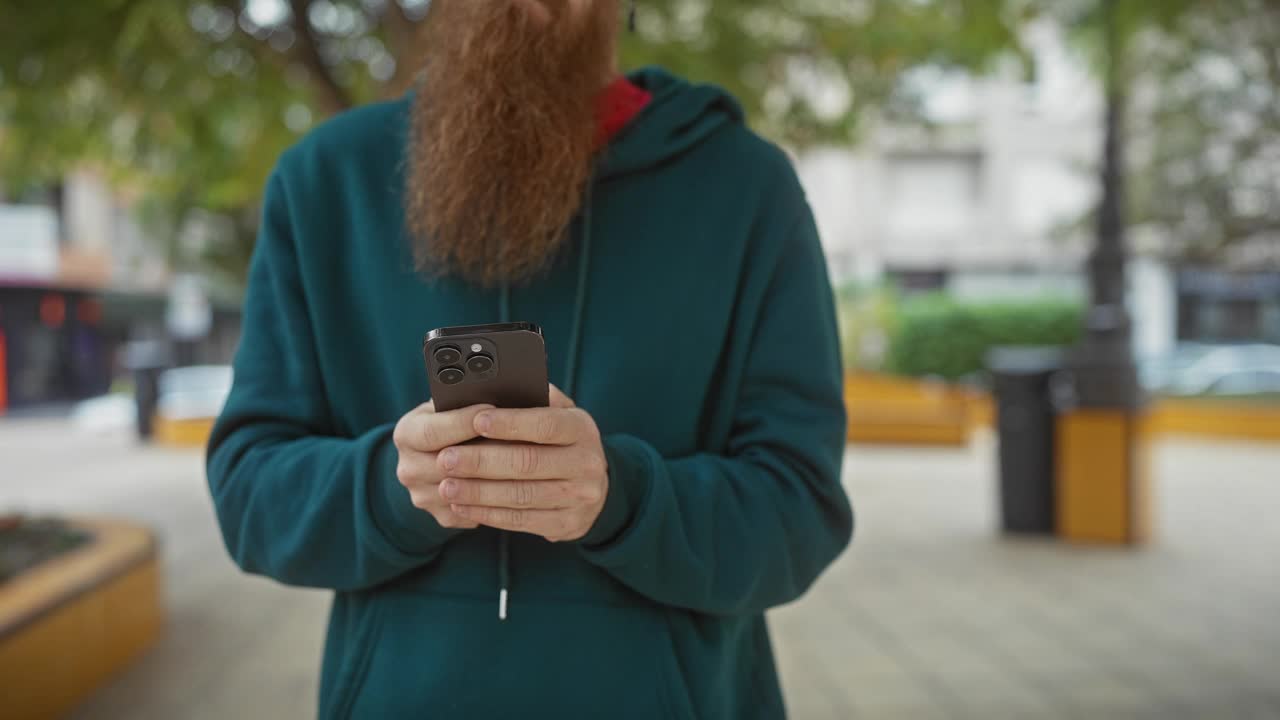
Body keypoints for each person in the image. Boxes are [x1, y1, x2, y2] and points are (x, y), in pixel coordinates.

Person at [206, 0, 853, 717]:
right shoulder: (325, 183)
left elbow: (801, 508)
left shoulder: (747, 189)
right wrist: (396, 487)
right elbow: (249, 496)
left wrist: (623, 497)